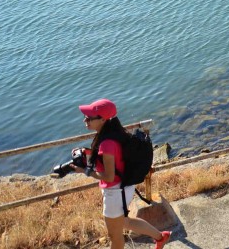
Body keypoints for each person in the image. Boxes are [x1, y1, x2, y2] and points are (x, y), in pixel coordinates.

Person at [72, 99, 171, 249]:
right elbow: (111, 160)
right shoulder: (113, 133)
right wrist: (87, 154)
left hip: (115, 192)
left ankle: (160, 237)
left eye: (89, 117)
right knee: (126, 222)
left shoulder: (107, 143)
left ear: (103, 119)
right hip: (124, 187)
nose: (85, 120)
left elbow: (109, 176)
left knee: (115, 236)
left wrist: (85, 171)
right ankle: (160, 237)